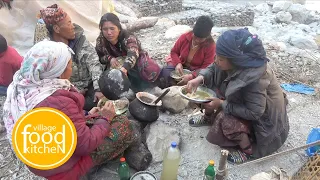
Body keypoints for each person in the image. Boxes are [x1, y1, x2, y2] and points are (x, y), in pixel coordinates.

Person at [2, 40, 136, 180]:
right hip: (62, 169)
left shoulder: (22, 86)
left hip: (43, 160)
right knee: (123, 125)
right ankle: (84, 171)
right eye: (69, 65)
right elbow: (86, 144)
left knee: (97, 119)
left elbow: (58, 123)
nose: (71, 69)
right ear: (58, 71)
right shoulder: (54, 99)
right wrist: (105, 117)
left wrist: (85, 115)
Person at [186, 28, 289, 164]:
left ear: (235, 61)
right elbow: (213, 67)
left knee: (226, 119)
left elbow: (255, 112)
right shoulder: (230, 62)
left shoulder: (255, 79)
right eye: (217, 56)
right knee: (208, 91)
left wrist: (222, 104)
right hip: (248, 106)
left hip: (265, 125)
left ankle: (248, 151)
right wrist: (199, 78)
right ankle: (208, 117)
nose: (216, 60)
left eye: (220, 58)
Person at [35, 4, 105, 111]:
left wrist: (98, 89)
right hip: (67, 90)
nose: (73, 26)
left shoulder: (80, 41)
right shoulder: (48, 51)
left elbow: (94, 64)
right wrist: (73, 91)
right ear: (57, 29)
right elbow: (48, 81)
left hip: (89, 85)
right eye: (69, 23)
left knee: (100, 97)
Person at [95, 13, 161, 92]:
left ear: (119, 28)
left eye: (112, 28)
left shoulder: (128, 37)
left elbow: (133, 53)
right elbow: (99, 57)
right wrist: (110, 58)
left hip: (133, 66)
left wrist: (124, 69)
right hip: (116, 66)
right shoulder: (101, 41)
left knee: (142, 83)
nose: (109, 32)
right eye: (105, 29)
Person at [159, 16, 216, 88]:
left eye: (201, 39)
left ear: (207, 37)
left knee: (201, 84)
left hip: (197, 71)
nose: (197, 40)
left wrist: (192, 76)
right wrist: (178, 63)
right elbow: (174, 52)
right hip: (182, 66)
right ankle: (172, 87)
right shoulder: (185, 37)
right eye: (195, 37)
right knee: (165, 73)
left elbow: (206, 68)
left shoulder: (211, 46)